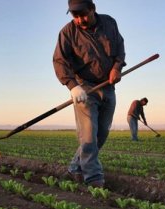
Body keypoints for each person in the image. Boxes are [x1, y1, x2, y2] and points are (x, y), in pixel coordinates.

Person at [53, 0, 126, 187]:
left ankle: (74, 168)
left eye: (83, 14)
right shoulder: (67, 33)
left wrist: (117, 67)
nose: (79, 19)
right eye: (75, 16)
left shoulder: (109, 23)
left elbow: (119, 47)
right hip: (84, 87)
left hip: (108, 86)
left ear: (93, 9)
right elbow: (59, 61)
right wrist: (72, 86)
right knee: (88, 134)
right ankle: (93, 178)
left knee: (101, 134)